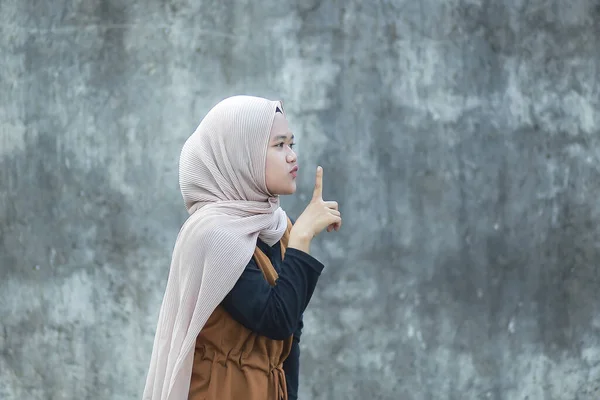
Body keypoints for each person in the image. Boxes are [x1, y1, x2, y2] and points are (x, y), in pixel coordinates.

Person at [142, 95, 342, 400]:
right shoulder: (214, 234)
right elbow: (274, 320)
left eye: (292, 144)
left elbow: (290, 336)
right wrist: (302, 239)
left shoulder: (278, 226)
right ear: (241, 154)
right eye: (278, 145)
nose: (291, 157)